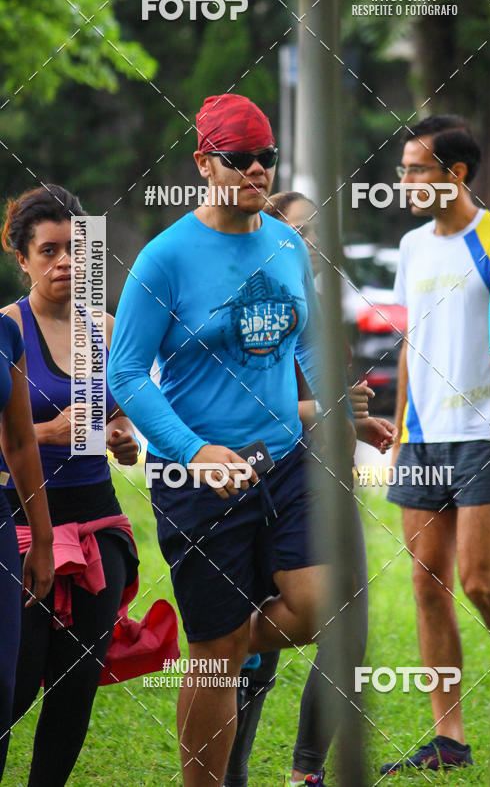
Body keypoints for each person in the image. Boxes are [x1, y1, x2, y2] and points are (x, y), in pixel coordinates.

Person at [107, 94, 354, 787]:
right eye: (238, 158)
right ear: (203, 163)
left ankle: (211, 647)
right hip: (200, 477)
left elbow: (304, 341)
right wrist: (193, 452)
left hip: (284, 463)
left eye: (265, 157)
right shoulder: (166, 258)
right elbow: (127, 372)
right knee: (217, 657)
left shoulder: (285, 242)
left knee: (316, 605)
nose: (255, 170)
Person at [224, 192, 395, 787]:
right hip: (268, 477)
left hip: (326, 470)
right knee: (260, 631)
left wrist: (354, 417)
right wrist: (324, 408)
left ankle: (306, 772)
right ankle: (233, 772)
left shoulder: (308, 298)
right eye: (298, 230)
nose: (310, 243)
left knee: (346, 624)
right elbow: (240, 407)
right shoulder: (249, 303)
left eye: (315, 232)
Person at [0, 185, 141, 786]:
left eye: (74, 251)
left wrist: (125, 434)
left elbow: (122, 410)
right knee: (16, 674)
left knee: (77, 677)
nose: (64, 263)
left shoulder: (106, 328)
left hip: (97, 519)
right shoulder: (6, 331)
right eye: (49, 250)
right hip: (23, 519)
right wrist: (46, 433)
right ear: (22, 258)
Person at [380, 117, 490, 773]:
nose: (404, 182)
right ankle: (448, 739)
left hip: (485, 435)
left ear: (455, 174)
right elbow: (410, 347)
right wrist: (400, 432)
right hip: (423, 439)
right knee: (428, 583)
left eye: (416, 170)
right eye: (403, 170)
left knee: (480, 583)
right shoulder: (410, 248)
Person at [0, 312, 54, 780]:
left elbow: (18, 441)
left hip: (1, 523)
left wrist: (41, 538)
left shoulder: (3, 332)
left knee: (2, 681)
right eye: (50, 250)